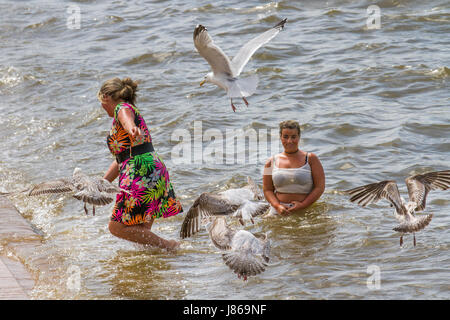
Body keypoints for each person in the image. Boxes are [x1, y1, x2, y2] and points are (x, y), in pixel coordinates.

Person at [98, 77, 183, 251]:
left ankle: (170, 247)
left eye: (101, 101)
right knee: (141, 230)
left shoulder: (122, 108)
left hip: (140, 172)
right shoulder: (127, 112)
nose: (101, 106)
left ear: (106, 96)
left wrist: (131, 129)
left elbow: (126, 119)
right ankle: (154, 263)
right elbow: (121, 158)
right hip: (152, 169)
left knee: (117, 227)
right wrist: (103, 183)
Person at [263, 120, 325, 216]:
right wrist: (277, 206)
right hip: (278, 212)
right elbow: (267, 190)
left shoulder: (311, 159)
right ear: (280, 137)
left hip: (306, 211)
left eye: (293, 137)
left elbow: (319, 187)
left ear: (299, 137)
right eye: (285, 137)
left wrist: (303, 205)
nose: (290, 141)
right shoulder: (270, 162)